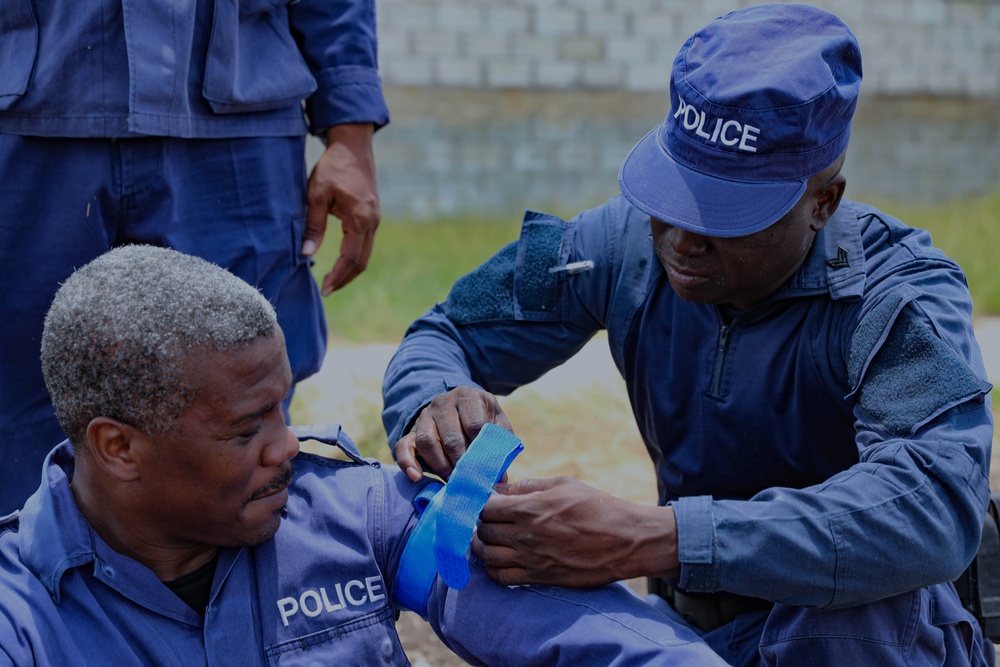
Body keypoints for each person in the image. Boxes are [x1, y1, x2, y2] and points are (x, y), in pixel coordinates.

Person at [380, 4, 996, 666]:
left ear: (824, 202)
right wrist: (433, 394)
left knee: (870, 615)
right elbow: (447, 329)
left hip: (861, 636)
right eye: (673, 192)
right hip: (690, 631)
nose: (681, 237)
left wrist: (662, 539)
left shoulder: (899, 294)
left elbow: (932, 507)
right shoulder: (611, 242)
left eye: (725, 213)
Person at [0, 244, 729, 666]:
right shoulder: (24, 617)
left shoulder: (357, 517)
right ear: (119, 446)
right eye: (245, 429)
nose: (286, 444)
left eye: (283, 408)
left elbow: (597, 639)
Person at [0, 0, 386, 513]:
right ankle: (27, 587)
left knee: (239, 403)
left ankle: (236, 591)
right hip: (26, 112)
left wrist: (351, 130)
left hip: (233, 126)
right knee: (17, 410)